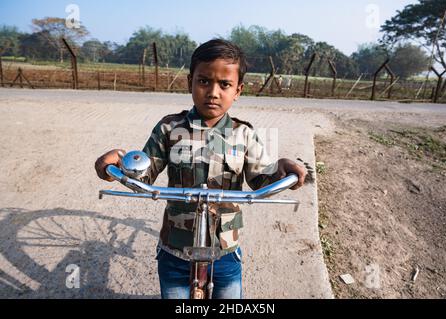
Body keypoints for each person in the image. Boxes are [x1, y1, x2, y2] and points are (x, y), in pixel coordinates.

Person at [95, 39, 307, 299]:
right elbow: (145, 173)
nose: (213, 92)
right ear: (190, 82)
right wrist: (119, 163)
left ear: (238, 90)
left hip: (225, 249)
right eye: (204, 81)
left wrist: (281, 172)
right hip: (175, 247)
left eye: (225, 84)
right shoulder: (169, 129)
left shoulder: (243, 134)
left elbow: (262, 181)